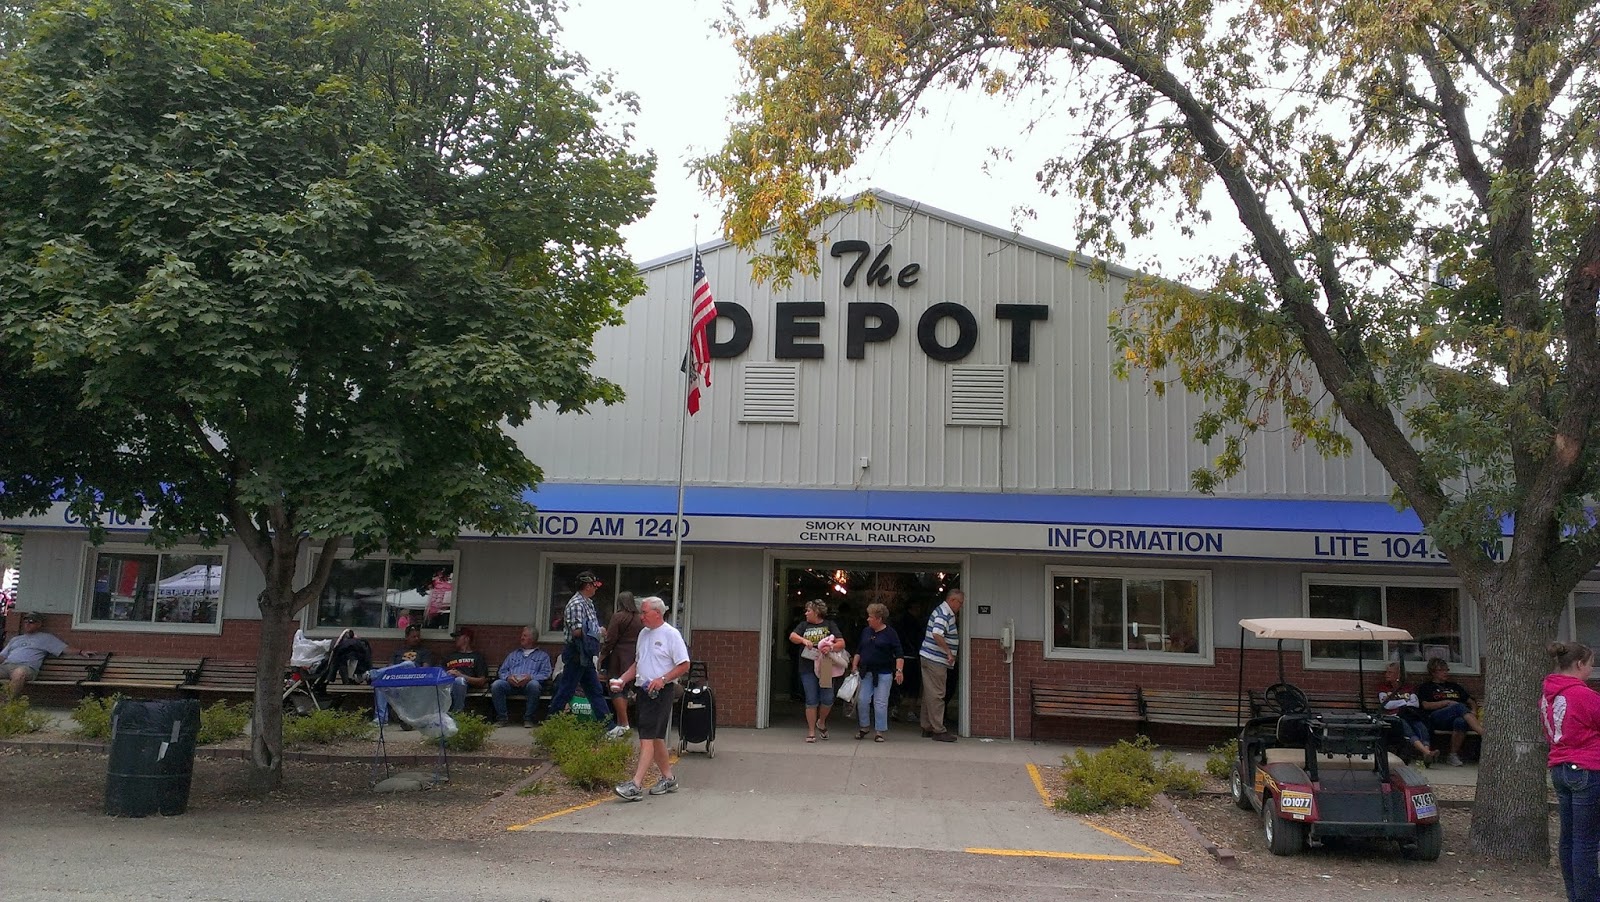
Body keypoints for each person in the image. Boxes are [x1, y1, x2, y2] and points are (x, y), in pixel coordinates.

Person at [612, 596, 691, 802]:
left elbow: (684, 664)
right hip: (643, 690)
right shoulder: (643, 634)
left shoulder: (671, 635)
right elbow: (638, 663)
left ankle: (636, 784)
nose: (641, 616)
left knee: (646, 737)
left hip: (660, 692)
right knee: (655, 738)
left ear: (658, 613)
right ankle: (668, 778)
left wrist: (663, 679)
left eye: (645, 612)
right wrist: (622, 680)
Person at [1543, 641, 1600, 902]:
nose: (1591, 670)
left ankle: (1575, 895)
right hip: (1588, 768)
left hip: (1560, 766)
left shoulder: (1548, 695)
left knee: (1569, 838)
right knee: (1586, 842)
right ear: (1579, 664)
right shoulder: (1583, 694)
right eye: (1590, 664)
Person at [547, 570, 617, 735]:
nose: (596, 588)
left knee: (594, 690)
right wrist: (597, 632)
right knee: (566, 690)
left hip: (586, 653)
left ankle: (609, 727)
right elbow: (577, 631)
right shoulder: (576, 604)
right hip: (577, 651)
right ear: (587, 585)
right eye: (594, 585)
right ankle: (551, 726)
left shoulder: (588, 603)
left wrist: (596, 631)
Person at [788, 599, 844, 742]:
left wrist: (830, 647)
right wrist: (803, 640)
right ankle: (811, 732)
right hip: (807, 665)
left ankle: (822, 721)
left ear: (817, 612)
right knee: (811, 699)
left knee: (827, 698)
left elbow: (841, 643)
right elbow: (792, 636)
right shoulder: (803, 625)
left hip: (825, 665)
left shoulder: (830, 624)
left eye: (808, 610)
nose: (806, 613)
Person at [1416, 656, 1485, 766]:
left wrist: (1473, 711)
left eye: (1446, 670)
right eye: (1441, 670)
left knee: (1461, 721)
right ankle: (1484, 734)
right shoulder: (1427, 687)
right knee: (1458, 707)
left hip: (1457, 717)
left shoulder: (1454, 686)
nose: (1445, 673)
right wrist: (1446, 703)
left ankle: (1452, 755)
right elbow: (1425, 705)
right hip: (1436, 717)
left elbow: (1471, 701)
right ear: (1433, 672)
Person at [850, 602, 904, 742]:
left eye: (870, 617)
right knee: (862, 700)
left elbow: (899, 653)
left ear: (879, 619)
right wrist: (854, 665)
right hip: (866, 672)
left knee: (880, 702)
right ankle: (864, 727)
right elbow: (859, 650)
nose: (868, 619)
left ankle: (879, 731)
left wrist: (899, 670)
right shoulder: (866, 631)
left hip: (884, 672)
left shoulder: (890, 633)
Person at [0, 612, 86, 698]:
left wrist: (80, 651)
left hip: (26, 667)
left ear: (39, 624)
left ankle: (5, 703)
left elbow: (64, 649)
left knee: (19, 673)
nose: (27, 624)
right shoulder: (16, 639)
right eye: (25, 622)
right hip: (7, 666)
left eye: (31, 622)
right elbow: (3, 656)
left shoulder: (46, 638)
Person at [919, 589, 963, 742]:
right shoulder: (944, 614)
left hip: (928, 656)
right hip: (935, 659)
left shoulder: (940, 611)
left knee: (929, 693)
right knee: (937, 694)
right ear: (952, 600)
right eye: (960, 603)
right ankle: (939, 729)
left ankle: (927, 726)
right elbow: (937, 633)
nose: (960, 607)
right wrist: (949, 652)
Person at [600, 591, 643, 737]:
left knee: (616, 688)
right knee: (627, 688)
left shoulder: (618, 617)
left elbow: (610, 638)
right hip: (635, 655)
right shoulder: (640, 618)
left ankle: (623, 723)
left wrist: (603, 654)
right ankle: (622, 723)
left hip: (619, 656)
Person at [1376, 660, 1435, 764]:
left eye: (1390, 672)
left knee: (1421, 726)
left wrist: (1398, 703)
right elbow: (1386, 705)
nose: (1386, 675)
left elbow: (1416, 703)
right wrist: (1405, 701)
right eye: (1387, 672)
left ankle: (1427, 753)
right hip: (1393, 717)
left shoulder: (1408, 688)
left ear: (1399, 675)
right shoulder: (1383, 688)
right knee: (1405, 726)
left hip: (1409, 715)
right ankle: (1426, 752)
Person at [492, 627, 553, 727]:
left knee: (534, 685)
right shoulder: (513, 655)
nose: (521, 638)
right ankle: (502, 718)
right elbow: (502, 671)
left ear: (532, 639)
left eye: (524, 636)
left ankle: (528, 718)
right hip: (511, 685)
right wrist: (508, 678)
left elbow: (546, 673)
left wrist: (531, 678)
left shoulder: (543, 656)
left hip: (529, 685)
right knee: (497, 685)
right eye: (522, 635)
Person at [439, 627, 488, 713]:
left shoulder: (477, 657)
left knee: (459, 681)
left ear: (466, 639)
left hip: (464, 685)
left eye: (458, 637)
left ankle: (457, 713)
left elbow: (481, 681)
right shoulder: (449, 656)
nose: (455, 639)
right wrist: (447, 674)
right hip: (447, 684)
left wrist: (460, 675)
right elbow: (439, 672)